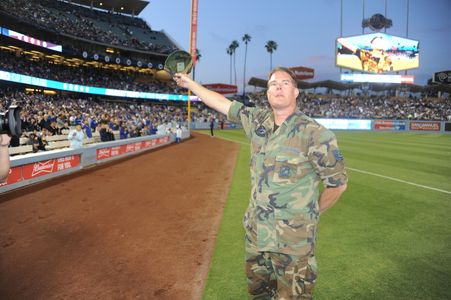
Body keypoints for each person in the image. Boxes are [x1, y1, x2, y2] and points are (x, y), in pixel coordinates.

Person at [174, 67, 348, 299]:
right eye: (273, 84)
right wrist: (191, 85)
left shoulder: (316, 134)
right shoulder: (257, 120)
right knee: (259, 294)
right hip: (256, 234)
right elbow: (222, 103)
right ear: (267, 94)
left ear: (296, 92)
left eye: (285, 83)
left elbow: (337, 184)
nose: (278, 87)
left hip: (293, 243)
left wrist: (312, 213)